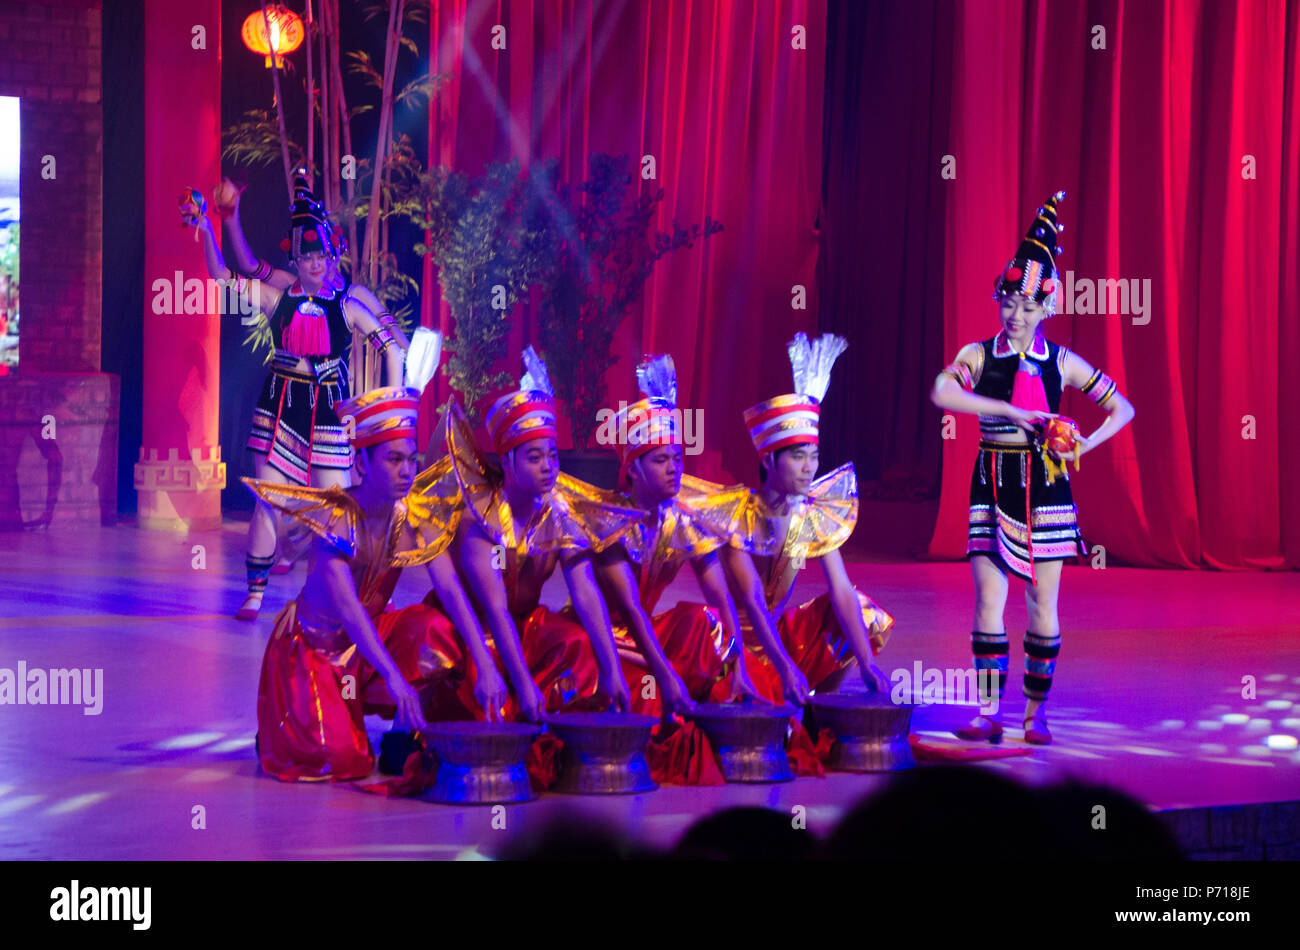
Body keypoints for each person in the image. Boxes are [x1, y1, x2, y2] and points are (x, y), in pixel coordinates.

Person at [930, 190, 1135, 745]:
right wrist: (1004, 409)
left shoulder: (1061, 363)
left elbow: (1124, 407)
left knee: (1043, 600)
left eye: (1028, 306)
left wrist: (1084, 446)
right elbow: (941, 392)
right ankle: (989, 711)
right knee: (987, 600)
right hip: (992, 481)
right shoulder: (980, 355)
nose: (1016, 315)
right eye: (1008, 303)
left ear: (1046, 308)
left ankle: (1035, 713)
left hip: (1046, 488)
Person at [246, 384, 508, 782]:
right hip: (314, 651)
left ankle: (400, 739)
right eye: (393, 460)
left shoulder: (413, 516)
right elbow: (350, 611)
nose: (406, 471)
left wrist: (486, 665)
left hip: (362, 648)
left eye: (411, 460)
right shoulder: (335, 521)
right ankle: (283, 727)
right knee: (344, 761)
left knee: (436, 629)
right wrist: (396, 681)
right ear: (362, 464)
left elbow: (452, 591)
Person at [183, 171, 407, 620]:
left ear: (332, 254)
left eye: (321, 255)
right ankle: (255, 592)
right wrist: (211, 227)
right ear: (297, 259)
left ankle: (339, 591)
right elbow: (226, 275)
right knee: (269, 499)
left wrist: (383, 412)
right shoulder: (279, 294)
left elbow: (393, 344)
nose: (315, 264)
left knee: (338, 509)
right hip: (279, 407)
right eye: (307, 257)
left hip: (329, 411)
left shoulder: (349, 301)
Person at [414, 348, 645, 722]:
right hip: (474, 628)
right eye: (535, 458)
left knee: (575, 643)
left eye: (553, 456)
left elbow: (585, 592)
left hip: (521, 626)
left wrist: (611, 669)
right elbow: (495, 609)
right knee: (487, 700)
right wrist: (522, 683)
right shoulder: (482, 521)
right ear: (507, 462)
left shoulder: (560, 513)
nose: (548, 467)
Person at [593, 354, 804, 717]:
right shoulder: (609, 524)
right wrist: (665, 675)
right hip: (606, 637)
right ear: (633, 470)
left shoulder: (684, 521)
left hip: (645, 635)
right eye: (661, 460)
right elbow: (630, 609)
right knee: (647, 694)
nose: (674, 468)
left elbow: (720, 596)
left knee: (703, 621)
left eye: (678, 458)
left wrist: (738, 667)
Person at [717, 333, 895, 703]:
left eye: (813, 457)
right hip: (731, 648)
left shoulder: (809, 514)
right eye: (798, 458)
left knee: (860, 611)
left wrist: (866, 663)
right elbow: (751, 599)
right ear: (768, 461)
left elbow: (841, 590)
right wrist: (784, 667)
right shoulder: (737, 517)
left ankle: (820, 709)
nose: (809, 469)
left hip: (777, 639)